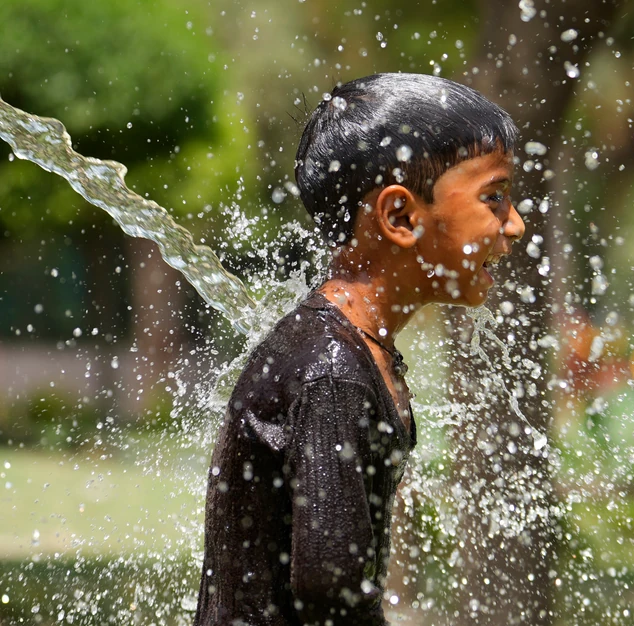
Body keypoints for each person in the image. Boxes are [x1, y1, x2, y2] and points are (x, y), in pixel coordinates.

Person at [194, 73, 525, 626]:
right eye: (493, 198)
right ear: (399, 217)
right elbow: (333, 591)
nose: (515, 224)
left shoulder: (355, 347)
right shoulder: (333, 371)